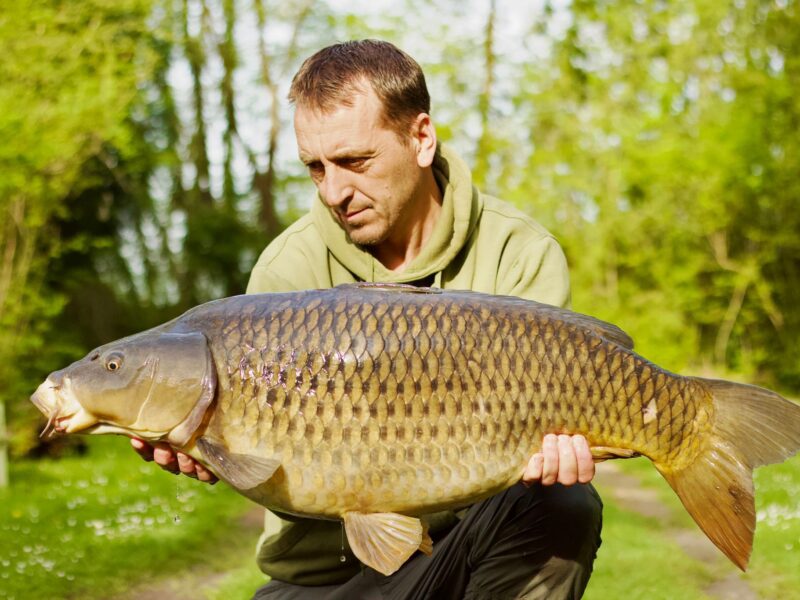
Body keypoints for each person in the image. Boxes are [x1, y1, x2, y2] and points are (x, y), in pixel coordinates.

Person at [132, 39, 602, 599]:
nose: (334, 190)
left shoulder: (517, 252)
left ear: (420, 137)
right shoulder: (288, 269)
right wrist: (203, 444)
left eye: (355, 161)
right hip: (322, 581)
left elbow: (557, 415)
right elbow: (252, 453)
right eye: (315, 168)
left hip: (465, 554)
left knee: (564, 504)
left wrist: (556, 450)